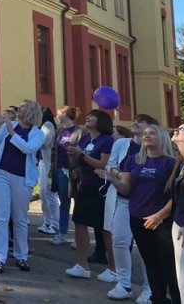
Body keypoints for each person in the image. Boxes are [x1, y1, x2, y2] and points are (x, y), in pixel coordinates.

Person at [107, 125, 179, 304]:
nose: (147, 135)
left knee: (169, 266)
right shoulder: (134, 160)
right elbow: (126, 189)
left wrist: (160, 215)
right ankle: (159, 299)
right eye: (145, 133)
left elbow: (178, 196)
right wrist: (113, 179)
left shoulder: (171, 163)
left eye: (152, 133)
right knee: (151, 263)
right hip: (137, 218)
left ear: (162, 137)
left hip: (161, 221)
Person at [93, 115, 154, 302]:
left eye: (140, 121)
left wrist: (121, 176)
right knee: (119, 241)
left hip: (146, 203)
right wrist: (122, 174)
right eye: (134, 120)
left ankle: (149, 287)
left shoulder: (153, 145)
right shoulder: (122, 144)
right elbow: (111, 165)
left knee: (146, 247)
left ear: (150, 128)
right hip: (122, 200)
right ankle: (123, 283)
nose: (134, 123)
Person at [0, 100, 44, 274]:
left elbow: (27, 149)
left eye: (23, 107)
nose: (18, 108)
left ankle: (22, 255)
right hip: (0, 173)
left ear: (31, 112)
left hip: (22, 178)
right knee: (0, 216)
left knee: (19, 218)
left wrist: (11, 131)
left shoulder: (37, 133)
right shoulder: (9, 125)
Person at [65, 109, 115, 279]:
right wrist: (72, 154)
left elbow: (102, 164)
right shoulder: (85, 139)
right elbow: (77, 161)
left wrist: (82, 155)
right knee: (79, 223)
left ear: (102, 121)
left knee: (104, 229)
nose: (88, 117)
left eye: (92, 116)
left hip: (101, 188)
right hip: (85, 185)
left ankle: (114, 268)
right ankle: (82, 264)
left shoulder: (107, 140)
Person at [50, 106, 81, 246]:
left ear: (65, 115)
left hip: (74, 170)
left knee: (78, 202)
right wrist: (52, 169)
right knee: (64, 201)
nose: (57, 116)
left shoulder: (80, 131)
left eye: (59, 114)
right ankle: (62, 233)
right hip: (60, 169)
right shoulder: (59, 131)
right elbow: (54, 151)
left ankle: (78, 237)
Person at [170, 122, 184, 300]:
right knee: (182, 279)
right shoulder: (181, 163)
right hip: (178, 224)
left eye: (183, 128)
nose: (176, 129)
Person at [37, 108, 59, 236]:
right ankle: (47, 221)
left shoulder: (48, 125)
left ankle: (55, 223)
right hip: (43, 162)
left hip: (48, 163)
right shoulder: (43, 126)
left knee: (49, 193)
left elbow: (44, 142)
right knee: (43, 193)